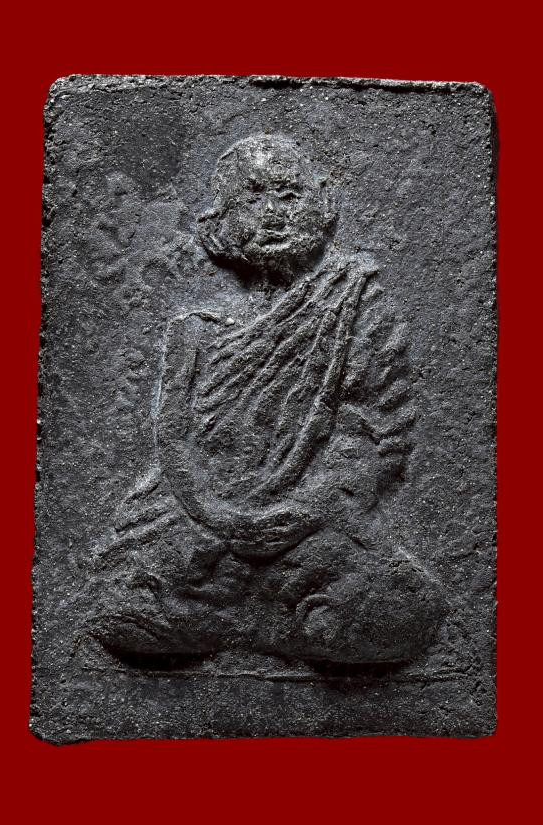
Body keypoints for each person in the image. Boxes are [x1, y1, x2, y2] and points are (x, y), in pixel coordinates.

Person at [87, 134, 443, 667]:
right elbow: (174, 440)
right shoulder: (195, 331)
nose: (273, 214)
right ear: (223, 222)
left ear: (322, 204)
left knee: (407, 604)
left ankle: (231, 621)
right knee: (117, 603)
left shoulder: (356, 305)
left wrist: (304, 512)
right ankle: (278, 623)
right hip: (201, 524)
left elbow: (375, 433)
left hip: (313, 525)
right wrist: (219, 517)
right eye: (252, 199)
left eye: (288, 195)